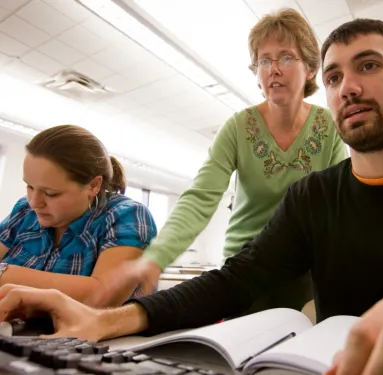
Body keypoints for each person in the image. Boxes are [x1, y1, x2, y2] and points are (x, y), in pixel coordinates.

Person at [1, 18, 383, 374]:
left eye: (368, 66)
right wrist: (105, 319)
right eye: (334, 76)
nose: (347, 86)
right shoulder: (313, 197)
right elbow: (234, 279)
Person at [98, 8, 347, 313]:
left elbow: (338, 205)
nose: (273, 69)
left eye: (285, 57)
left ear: (310, 69)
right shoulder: (238, 127)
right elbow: (200, 197)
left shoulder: (329, 128)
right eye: (264, 60)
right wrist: (155, 257)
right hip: (244, 268)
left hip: (302, 271)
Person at [0, 125, 157, 307]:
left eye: (51, 193)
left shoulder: (126, 215)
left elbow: (102, 296)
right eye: (30, 187)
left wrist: (6, 274)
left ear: (93, 186)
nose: (34, 203)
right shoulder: (24, 211)